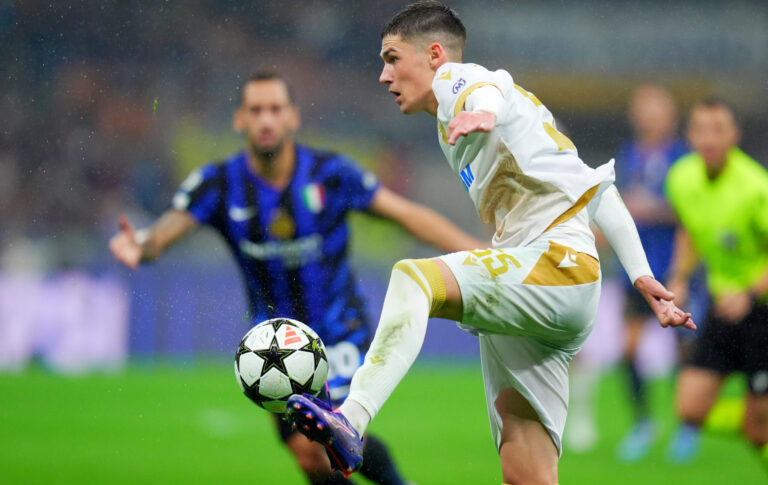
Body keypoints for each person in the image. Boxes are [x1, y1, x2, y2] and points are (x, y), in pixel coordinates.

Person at [284, 3, 695, 484]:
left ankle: (351, 419)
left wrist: (482, 114)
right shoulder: (500, 116)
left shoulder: (458, 81)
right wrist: (643, 275)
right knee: (526, 470)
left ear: (434, 55)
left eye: (392, 58)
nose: (383, 75)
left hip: (554, 266)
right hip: (553, 284)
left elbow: (484, 87)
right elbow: (599, 191)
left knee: (413, 279)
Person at [110, 70, 486, 485]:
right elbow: (164, 234)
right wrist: (141, 246)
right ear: (240, 119)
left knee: (322, 441)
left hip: (341, 329)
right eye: (256, 110)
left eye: (275, 109)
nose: (266, 120)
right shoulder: (218, 184)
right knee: (312, 456)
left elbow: (407, 216)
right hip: (274, 343)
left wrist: (477, 253)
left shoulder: (330, 173)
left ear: (292, 117)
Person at [665, 98, 768, 465]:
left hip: (762, 312)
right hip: (722, 305)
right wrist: (679, 275)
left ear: (734, 135)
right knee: (689, 408)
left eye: (718, 130)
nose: (708, 139)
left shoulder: (756, 187)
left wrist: (750, 292)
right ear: (689, 134)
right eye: (700, 129)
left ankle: (757, 420)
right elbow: (691, 230)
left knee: (758, 433)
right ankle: (755, 416)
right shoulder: (681, 177)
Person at [613, 84, 689, 461]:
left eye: (654, 109)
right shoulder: (630, 155)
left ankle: (685, 427)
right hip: (633, 267)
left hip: (672, 265)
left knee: (682, 347)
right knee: (627, 348)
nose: (647, 117)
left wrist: (652, 208)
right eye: (641, 110)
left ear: (670, 114)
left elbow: (691, 212)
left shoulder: (685, 158)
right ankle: (643, 423)